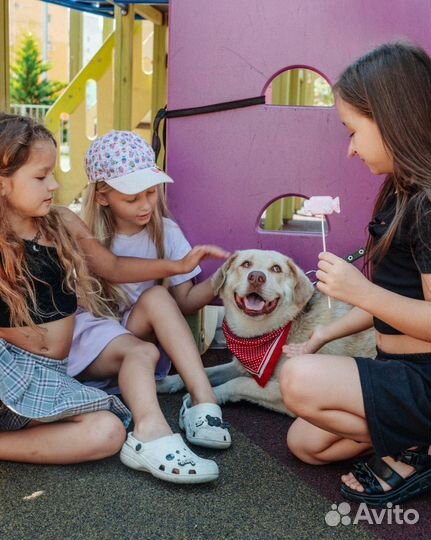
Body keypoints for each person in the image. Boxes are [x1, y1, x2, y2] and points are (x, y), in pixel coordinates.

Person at [0, 114, 228, 484]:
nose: (55, 184)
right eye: (41, 177)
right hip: (11, 375)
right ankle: (154, 433)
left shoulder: (60, 221)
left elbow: (113, 265)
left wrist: (177, 265)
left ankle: (148, 434)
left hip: (52, 374)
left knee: (109, 431)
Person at [279, 42, 431, 506]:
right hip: (398, 369)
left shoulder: (427, 205)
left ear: (390, 119)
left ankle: (417, 447)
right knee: (306, 443)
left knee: (298, 382)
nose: (349, 150)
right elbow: (394, 300)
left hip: (424, 378)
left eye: (352, 131)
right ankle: (415, 440)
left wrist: (360, 291)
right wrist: (324, 335)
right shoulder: (398, 192)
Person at [67, 130, 232, 483]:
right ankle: (152, 432)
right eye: (132, 198)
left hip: (134, 334)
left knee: (158, 297)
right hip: (93, 344)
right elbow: (104, 275)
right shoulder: (85, 236)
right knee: (137, 335)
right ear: (103, 196)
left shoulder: (165, 231)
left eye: (151, 192)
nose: (145, 205)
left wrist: (225, 280)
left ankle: (203, 402)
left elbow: (184, 301)